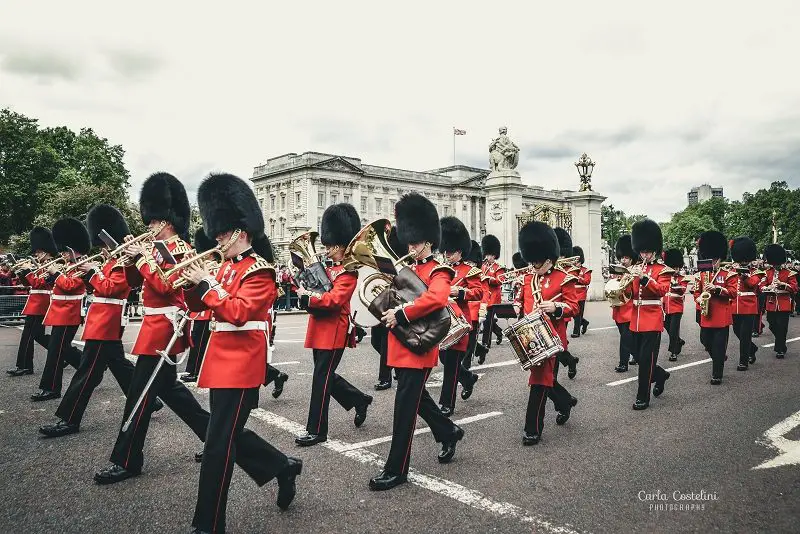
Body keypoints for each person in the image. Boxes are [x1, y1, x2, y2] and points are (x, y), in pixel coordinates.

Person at [179, 172, 301, 533]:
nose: (216, 238)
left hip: (243, 364)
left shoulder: (259, 271)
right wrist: (191, 285)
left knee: (218, 445)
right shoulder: (224, 267)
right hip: (220, 361)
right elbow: (202, 308)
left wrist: (207, 283)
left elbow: (237, 312)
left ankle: (208, 523)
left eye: (221, 232)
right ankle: (282, 466)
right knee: (225, 435)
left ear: (240, 230)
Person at [94, 172, 210, 485]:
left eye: (151, 222)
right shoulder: (153, 248)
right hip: (153, 325)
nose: (147, 227)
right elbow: (134, 284)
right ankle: (215, 437)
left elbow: (166, 283)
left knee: (138, 396)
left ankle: (126, 460)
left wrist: (143, 259)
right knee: (171, 392)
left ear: (165, 220)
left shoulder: (181, 250)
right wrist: (131, 262)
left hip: (163, 329)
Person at [38, 205, 163, 437]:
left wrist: (94, 273)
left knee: (86, 373)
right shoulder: (108, 263)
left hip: (107, 323)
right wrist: (89, 273)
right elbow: (93, 287)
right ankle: (149, 401)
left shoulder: (120, 264)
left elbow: (111, 289)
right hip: (100, 322)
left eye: (105, 247)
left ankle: (69, 419)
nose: (103, 251)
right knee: (120, 366)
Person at [369, 193, 464, 491]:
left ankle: (396, 470)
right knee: (417, 398)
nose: (411, 246)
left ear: (429, 240)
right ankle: (448, 431)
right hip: (401, 344)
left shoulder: (439, 270)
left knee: (404, 410)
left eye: (416, 241)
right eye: (409, 241)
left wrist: (403, 312)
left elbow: (436, 298)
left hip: (420, 345)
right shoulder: (404, 267)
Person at [295, 203, 373, 446]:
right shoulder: (328, 270)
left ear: (341, 246)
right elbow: (320, 297)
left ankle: (317, 430)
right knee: (325, 376)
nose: (326, 251)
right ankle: (359, 400)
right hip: (320, 328)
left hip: (334, 331)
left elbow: (334, 300)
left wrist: (309, 296)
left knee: (321, 379)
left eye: (330, 246)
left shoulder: (348, 273)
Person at [514, 221, 579, 445]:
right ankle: (565, 402)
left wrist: (556, 307)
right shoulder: (528, 278)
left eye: (537, 262)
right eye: (531, 261)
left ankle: (532, 429)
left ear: (549, 258)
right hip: (531, 336)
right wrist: (516, 306)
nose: (533, 266)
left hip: (552, 338)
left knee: (539, 381)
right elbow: (523, 302)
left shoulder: (564, 278)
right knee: (545, 379)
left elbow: (574, 306)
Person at [31, 218, 90, 401]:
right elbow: (55, 285)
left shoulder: (82, 265)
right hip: (60, 313)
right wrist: (51, 273)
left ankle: (51, 388)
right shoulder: (69, 265)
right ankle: (83, 365)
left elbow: (70, 285)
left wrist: (55, 273)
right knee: (59, 350)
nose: (62, 253)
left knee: (56, 353)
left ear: (73, 249)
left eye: (65, 250)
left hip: (69, 314)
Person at [437, 216, 483, 417]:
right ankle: (468, 378)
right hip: (443, 321)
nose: (447, 255)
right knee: (443, 358)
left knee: (452, 365)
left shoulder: (469, 271)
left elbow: (478, 292)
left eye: (451, 252)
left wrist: (460, 292)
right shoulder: (441, 269)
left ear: (460, 251)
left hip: (459, 322)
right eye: (445, 251)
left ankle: (447, 404)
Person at [629, 219, 673, 410]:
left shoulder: (663, 270)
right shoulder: (636, 268)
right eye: (641, 251)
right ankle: (660, 375)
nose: (644, 254)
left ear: (654, 250)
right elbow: (629, 292)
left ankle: (643, 397)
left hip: (653, 318)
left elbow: (662, 290)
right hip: (636, 317)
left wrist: (644, 278)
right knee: (639, 357)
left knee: (646, 361)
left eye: (647, 251)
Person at [6, 227, 57, 376]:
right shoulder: (39, 266)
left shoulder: (52, 265)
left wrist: (28, 272)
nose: (36, 254)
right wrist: (22, 273)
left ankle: (25, 366)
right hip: (34, 302)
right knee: (36, 336)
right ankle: (68, 355)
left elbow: (40, 284)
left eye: (39, 252)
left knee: (29, 336)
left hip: (41, 303)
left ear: (47, 252)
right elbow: (29, 284)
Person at [695, 231, 737, 384]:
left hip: (721, 317)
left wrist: (717, 289)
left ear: (720, 258)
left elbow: (733, 293)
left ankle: (717, 374)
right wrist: (698, 298)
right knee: (704, 340)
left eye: (714, 259)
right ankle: (719, 358)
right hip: (706, 315)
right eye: (710, 259)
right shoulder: (702, 274)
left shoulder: (728, 274)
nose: (712, 262)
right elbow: (697, 292)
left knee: (719, 346)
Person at [181, 228, 217, 384]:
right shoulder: (203, 263)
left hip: (209, 310)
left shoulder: (215, 265)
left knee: (200, 343)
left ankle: (194, 371)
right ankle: (193, 370)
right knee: (197, 342)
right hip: (201, 308)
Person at [730, 237, 763, 370]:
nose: (743, 261)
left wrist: (745, 277)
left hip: (749, 307)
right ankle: (752, 348)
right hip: (735, 306)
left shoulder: (756, 272)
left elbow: (752, 283)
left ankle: (743, 361)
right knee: (737, 331)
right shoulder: (732, 270)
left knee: (745, 335)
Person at [762, 244, 798, 359]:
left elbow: (795, 288)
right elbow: (762, 284)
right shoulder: (767, 272)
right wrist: (766, 288)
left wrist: (784, 285)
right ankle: (781, 341)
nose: (776, 265)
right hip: (771, 303)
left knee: (782, 327)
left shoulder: (789, 273)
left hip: (783, 304)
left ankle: (780, 349)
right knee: (772, 324)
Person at [553, 228, 580, 380]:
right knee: (557, 348)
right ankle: (571, 361)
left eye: (562, 255)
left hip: (563, 311)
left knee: (559, 345)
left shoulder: (571, 270)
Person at [611, 235, 637, 372]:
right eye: (622, 257)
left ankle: (623, 363)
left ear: (632, 258)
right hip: (619, 308)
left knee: (626, 337)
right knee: (625, 335)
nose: (623, 260)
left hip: (629, 307)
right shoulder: (617, 271)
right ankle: (637, 355)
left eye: (626, 258)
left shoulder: (635, 271)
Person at [480, 234, 505, 349]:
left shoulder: (498, 267)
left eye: (489, 255)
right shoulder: (483, 265)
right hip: (484, 296)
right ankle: (499, 332)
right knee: (487, 320)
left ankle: (486, 343)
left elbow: (500, 280)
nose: (487, 256)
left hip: (494, 297)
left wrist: (489, 279)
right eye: (487, 254)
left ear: (494, 256)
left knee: (487, 321)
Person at [662, 249, 687, 362]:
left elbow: (682, 290)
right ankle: (679, 341)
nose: (675, 270)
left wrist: (675, 284)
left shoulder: (682, 278)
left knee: (673, 331)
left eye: (677, 268)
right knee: (666, 326)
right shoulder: (665, 277)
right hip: (666, 307)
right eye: (673, 268)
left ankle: (673, 352)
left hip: (677, 308)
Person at [570, 246, 591, 338]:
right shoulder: (570, 270)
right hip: (572, 293)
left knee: (578, 314)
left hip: (581, 294)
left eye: (578, 262)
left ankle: (576, 332)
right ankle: (584, 322)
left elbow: (587, 281)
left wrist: (578, 278)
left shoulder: (585, 270)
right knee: (573, 313)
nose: (576, 263)